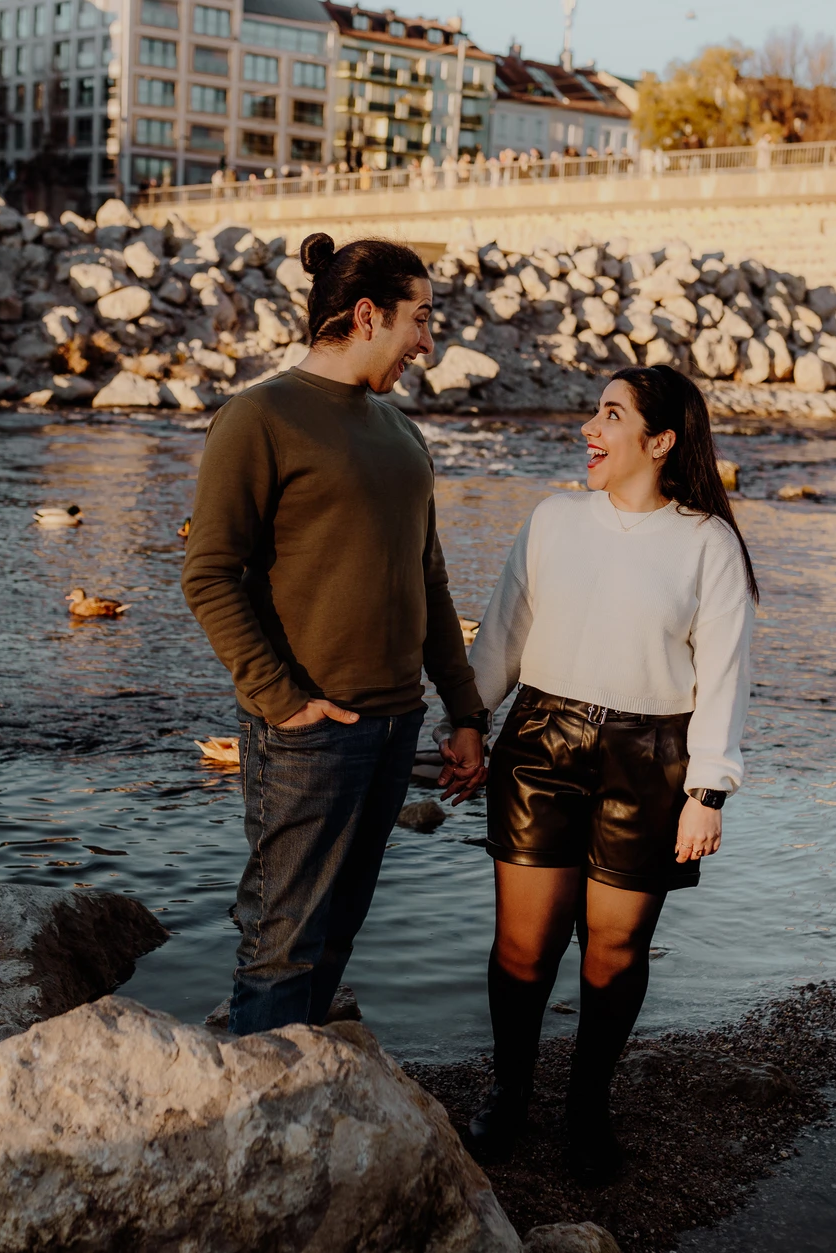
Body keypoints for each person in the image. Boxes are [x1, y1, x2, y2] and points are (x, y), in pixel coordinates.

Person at [182, 233, 489, 1037]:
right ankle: (257, 1122)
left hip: (396, 725)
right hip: (309, 732)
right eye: (419, 320)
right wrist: (284, 703)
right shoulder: (258, 417)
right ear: (365, 315)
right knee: (281, 943)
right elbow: (208, 575)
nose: (428, 341)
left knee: (338, 933)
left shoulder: (402, 433)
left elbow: (429, 583)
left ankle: (301, 1097)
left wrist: (465, 713)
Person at [464, 364, 759, 1184]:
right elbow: (502, 632)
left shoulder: (708, 542)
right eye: (596, 411)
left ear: (659, 442)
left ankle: (587, 1104)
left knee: (616, 950)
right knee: (525, 946)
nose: (589, 427)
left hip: (652, 759)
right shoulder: (555, 519)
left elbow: (726, 676)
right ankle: (511, 1092)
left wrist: (708, 790)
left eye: (611, 414)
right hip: (540, 744)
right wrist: (463, 721)